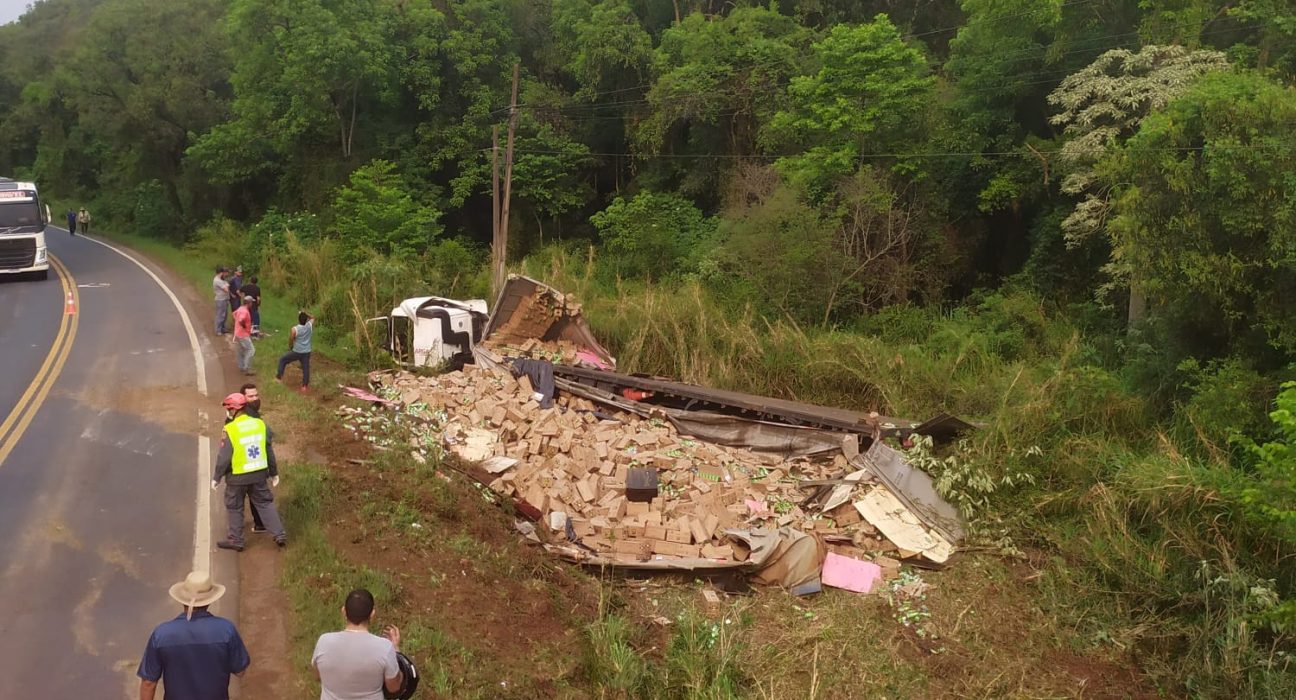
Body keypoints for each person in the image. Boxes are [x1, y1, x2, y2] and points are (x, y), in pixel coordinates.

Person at [137, 570, 251, 700]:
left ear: (182, 600)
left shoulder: (161, 634)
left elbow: (148, 683)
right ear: (209, 601)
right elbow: (240, 670)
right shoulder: (226, 630)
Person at [213, 392, 286, 550]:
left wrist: (217, 477)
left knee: (235, 507)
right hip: (259, 474)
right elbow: (268, 451)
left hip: (237, 477)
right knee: (265, 503)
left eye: (229, 409)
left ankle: (236, 541)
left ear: (234, 410)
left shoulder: (230, 429)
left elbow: (224, 457)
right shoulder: (260, 424)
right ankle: (279, 534)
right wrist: (273, 472)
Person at [312, 589, 403, 700]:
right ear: (372, 614)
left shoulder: (324, 642)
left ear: (344, 611)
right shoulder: (385, 648)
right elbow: (394, 687)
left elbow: (318, 676)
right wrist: (396, 651)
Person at [235, 382, 268, 534]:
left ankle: (239, 532)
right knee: (239, 501)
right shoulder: (243, 416)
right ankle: (238, 533)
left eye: (256, 395)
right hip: (243, 465)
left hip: (251, 464)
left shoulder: (252, 412)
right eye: (251, 396)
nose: (255, 398)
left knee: (253, 497)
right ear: (243, 398)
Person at [277, 311, 314, 391]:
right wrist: (305, 313)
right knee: (305, 368)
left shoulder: (294, 329)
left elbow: (291, 339)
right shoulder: (309, 326)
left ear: (298, 319)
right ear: (306, 320)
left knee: (283, 360)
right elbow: (313, 317)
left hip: (297, 351)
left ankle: (279, 378)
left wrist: (290, 346)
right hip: (306, 351)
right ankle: (304, 386)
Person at [233, 296, 256, 375]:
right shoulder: (245, 312)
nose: (252, 304)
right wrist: (245, 326)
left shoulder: (240, 308)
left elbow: (234, 314)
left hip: (237, 333)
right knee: (251, 350)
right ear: (249, 303)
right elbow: (241, 320)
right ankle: (247, 368)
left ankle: (241, 366)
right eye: (251, 302)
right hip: (243, 334)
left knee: (241, 350)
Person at [213, 267, 231, 335]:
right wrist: (227, 285)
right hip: (221, 300)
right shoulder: (217, 281)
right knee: (220, 315)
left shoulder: (221, 280)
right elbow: (226, 289)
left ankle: (223, 328)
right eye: (223, 273)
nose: (225, 274)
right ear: (221, 273)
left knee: (225, 315)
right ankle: (218, 330)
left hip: (224, 299)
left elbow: (227, 285)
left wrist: (226, 285)